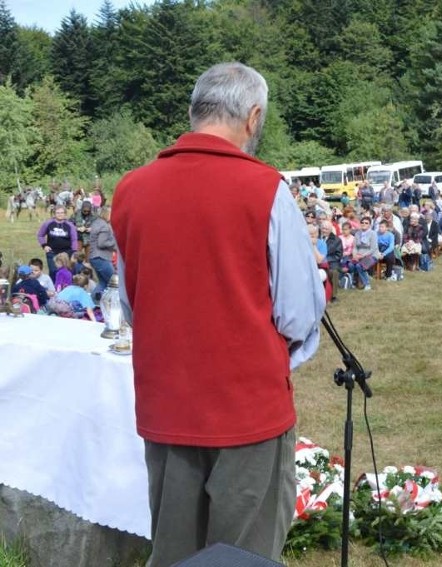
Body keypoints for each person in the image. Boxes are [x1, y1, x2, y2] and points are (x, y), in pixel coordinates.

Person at [111, 62, 325, 566]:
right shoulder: (266, 188)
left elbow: (130, 303)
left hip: (167, 410)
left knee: (175, 553)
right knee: (242, 555)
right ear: (253, 118)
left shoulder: (131, 189)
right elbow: (298, 313)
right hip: (248, 411)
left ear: (194, 112)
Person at [36, 206, 78, 282]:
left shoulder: (70, 225)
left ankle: (66, 288)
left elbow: (74, 239)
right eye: (58, 213)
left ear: (65, 214)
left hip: (66, 252)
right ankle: (53, 289)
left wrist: (74, 252)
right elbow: (40, 235)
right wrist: (44, 245)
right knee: (53, 271)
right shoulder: (48, 223)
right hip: (52, 252)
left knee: (67, 272)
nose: (60, 214)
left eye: (62, 213)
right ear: (54, 213)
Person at [88, 206, 117, 301]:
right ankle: (113, 305)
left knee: (103, 283)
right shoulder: (104, 226)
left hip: (94, 257)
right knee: (114, 282)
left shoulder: (96, 223)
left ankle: (92, 302)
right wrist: (115, 243)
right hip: (101, 257)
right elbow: (102, 243)